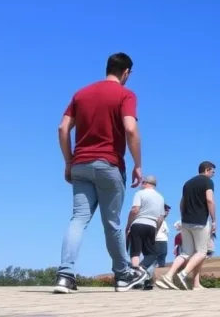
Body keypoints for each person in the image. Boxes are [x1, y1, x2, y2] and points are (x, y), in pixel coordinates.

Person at [54, 53, 148, 294]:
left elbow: (63, 128)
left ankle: (65, 276)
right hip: (109, 165)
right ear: (126, 72)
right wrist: (138, 164)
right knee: (112, 222)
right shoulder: (126, 95)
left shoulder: (81, 93)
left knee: (78, 218)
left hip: (80, 165)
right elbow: (130, 128)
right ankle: (122, 276)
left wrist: (68, 161)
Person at [157, 161, 217, 290]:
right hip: (200, 221)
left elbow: (181, 203)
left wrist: (184, 216)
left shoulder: (187, 183)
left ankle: (168, 276)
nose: (213, 174)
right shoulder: (207, 182)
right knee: (202, 252)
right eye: (212, 171)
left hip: (185, 221)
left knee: (185, 252)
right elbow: (209, 200)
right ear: (207, 170)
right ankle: (183, 274)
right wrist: (214, 219)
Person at [126, 175, 165, 281]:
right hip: (152, 225)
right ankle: (142, 269)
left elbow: (135, 210)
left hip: (138, 223)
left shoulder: (140, 193)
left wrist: (128, 225)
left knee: (135, 250)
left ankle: (135, 272)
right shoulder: (160, 197)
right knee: (151, 253)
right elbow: (161, 218)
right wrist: (156, 230)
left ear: (146, 183)